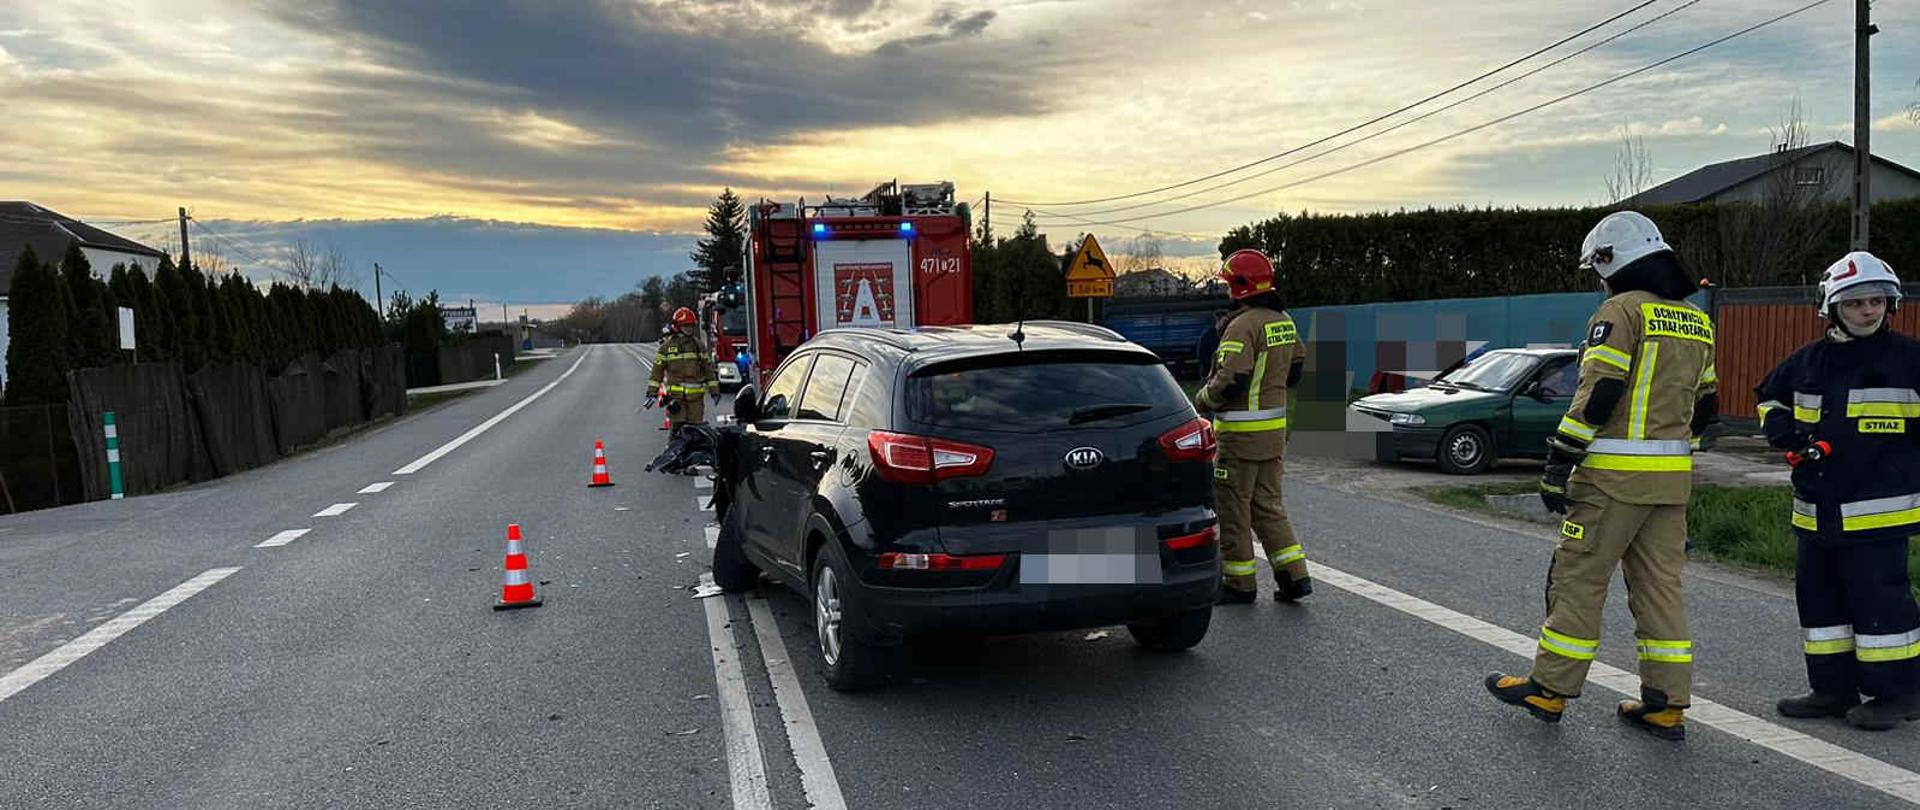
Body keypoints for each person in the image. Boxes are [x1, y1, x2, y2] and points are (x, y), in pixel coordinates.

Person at [1486, 211, 1717, 741]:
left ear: (1612, 261)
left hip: (1611, 481)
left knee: (1579, 582)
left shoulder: (1619, 311)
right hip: (1671, 483)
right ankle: (1665, 705)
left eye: (1599, 267)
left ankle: (1549, 688)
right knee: (1661, 590)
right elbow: (1708, 407)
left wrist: (1559, 462)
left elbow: (1601, 393)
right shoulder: (1696, 320)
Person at [1756, 251, 1920, 731]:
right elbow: (1767, 396)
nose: (1868, 311)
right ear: (1831, 308)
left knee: (1882, 603)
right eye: (1856, 303)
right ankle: (1831, 689)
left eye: (1876, 301)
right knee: (1820, 602)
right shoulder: (1808, 361)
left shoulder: (1910, 360)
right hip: (1816, 512)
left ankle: (1899, 694)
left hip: (1879, 515)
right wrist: (1781, 427)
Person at [1193, 249, 1309, 604]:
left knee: (1233, 510)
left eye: (1230, 284)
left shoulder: (1241, 325)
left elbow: (1231, 381)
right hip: (1273, 436)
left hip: (1240, 440)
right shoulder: (1283, 320)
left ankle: (1239, 584)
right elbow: (1296, 369)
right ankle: (1294, 578)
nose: (1227, 290)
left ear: (1240, 287)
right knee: (1269, 506)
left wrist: (1201, 402)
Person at [649, 307, 720, 428]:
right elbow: (657, 372)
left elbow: (708, 370)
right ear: (677, 326)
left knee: (696, 432)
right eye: (685, 326)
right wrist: (652, 393)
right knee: (676, 433)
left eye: (691, 326)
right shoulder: (666, 347)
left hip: (695, 401)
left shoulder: (698, 346)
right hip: (676, 400)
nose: (689, 329)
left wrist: (714, 392)